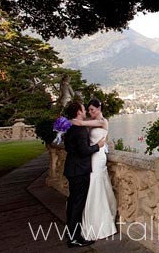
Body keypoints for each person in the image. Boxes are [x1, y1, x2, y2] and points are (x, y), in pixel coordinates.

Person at [70, 98, 118, 240]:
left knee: (96, 185)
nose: (90, 112)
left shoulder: (102, 121)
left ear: (99, 108)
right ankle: (90, 221)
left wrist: (65, 122)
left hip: (98, 157)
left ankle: (99, 223)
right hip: (90, 155)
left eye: (92, 109)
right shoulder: (92, 122)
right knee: (92, 185)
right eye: (88, 110)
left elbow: (79, 122)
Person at [62, 101, 105, 248]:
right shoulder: (79, 130)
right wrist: (97, 146)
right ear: (79, 112)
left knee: (72, 202)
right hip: (79, 171)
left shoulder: (70, 127)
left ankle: (70, 232)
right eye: (83, 109)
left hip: (71, 168)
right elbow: (84, 151)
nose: (85, 111)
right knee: (77, 204)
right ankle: (75, 238)